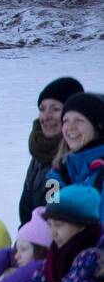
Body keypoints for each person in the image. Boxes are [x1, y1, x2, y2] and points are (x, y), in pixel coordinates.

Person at [20, 77, 83, 224]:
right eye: (42, 109)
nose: (45, 117)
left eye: (55, 109)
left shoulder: (77, 161)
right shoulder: (39, 153)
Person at [46, 91, 104, 221]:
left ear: (98, 126)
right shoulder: (58, 172)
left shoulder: (100, 174)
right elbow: (50, 220)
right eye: (66, 120)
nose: (70, 127)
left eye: (79, 120)